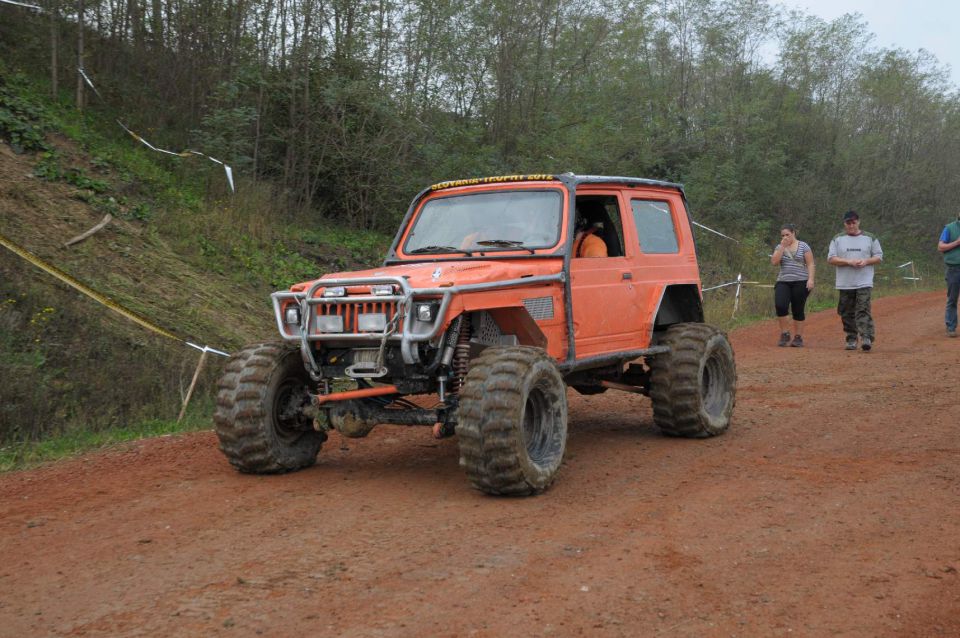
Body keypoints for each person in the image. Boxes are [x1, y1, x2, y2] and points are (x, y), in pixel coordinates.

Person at [827, 210, 883, 351]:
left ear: (858, 222)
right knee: (846, 311)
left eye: (853, 222)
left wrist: (866, 261)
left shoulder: (870, 237)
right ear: (844, 223)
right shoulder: (837, 239)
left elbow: (878, 256)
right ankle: (851, 338)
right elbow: (831, 258)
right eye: (848, 222)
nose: (851, 225)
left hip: (864, 280)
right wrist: (848, 262)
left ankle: (866, 337)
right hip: (845, 282)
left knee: (863, 308)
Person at [771, 224, 815, 347]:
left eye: (787, 235)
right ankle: (785, 333)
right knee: (780, 305)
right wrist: (782, 247)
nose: (785, 237)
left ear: (793, 233)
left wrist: (810, 279)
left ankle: (798, 337)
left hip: (801, 281)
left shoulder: (803, 246)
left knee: (798, 309)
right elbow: (774, 262)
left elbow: (811, 264)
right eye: (783, 235)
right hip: (783, 280)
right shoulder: (780, 246)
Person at [937, 212, 960, 337]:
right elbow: (940, 247)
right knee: (952, 299)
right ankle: (951, 327)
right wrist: (957, 242)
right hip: (954, 269)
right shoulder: (949, 228)